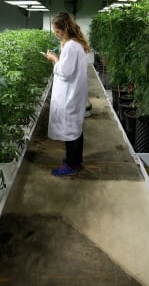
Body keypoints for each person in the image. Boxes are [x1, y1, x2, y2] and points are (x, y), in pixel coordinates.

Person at [43, 12, 89, 176]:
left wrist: (54, 59)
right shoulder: (76, 44)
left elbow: (65, 71)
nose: (56, 35)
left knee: (70, 131)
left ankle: (71, 164)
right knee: (75, 128)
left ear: (65, 29)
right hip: (75, 93)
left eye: (57, 32)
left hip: (69, 95)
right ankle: (76, 160)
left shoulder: (70, 46)